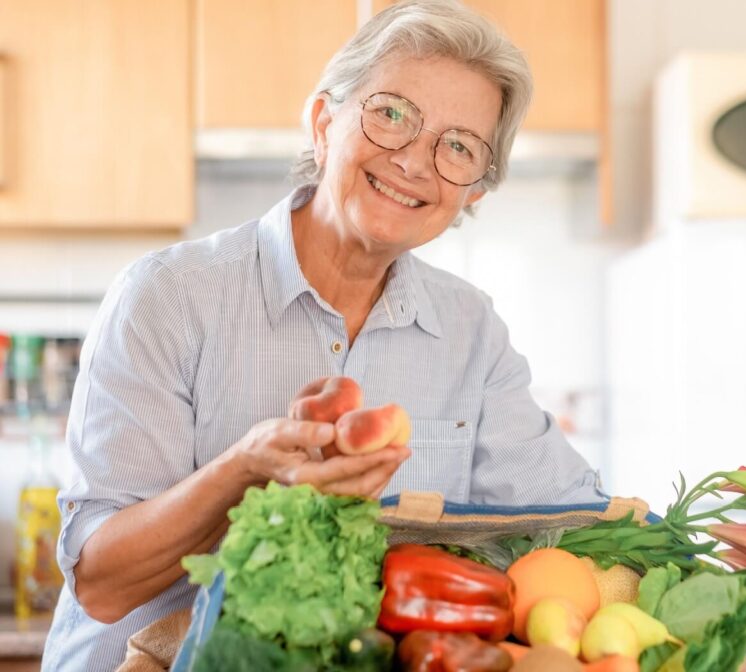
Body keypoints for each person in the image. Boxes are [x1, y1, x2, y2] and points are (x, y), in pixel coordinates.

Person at [41, 1, 603, 669]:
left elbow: (581, 528)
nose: (416, 161)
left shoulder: (470, 332)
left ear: (474, 192)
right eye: (392, 113)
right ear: (322, 122)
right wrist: (245, 470)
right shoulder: (167, 296)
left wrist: (711, 568)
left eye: (458, 146)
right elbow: (102, 583)